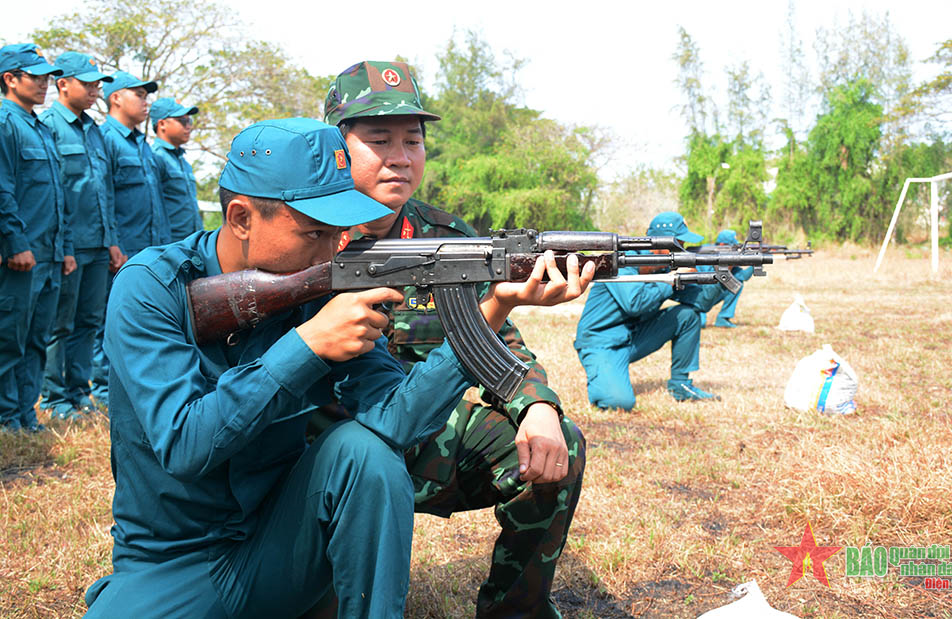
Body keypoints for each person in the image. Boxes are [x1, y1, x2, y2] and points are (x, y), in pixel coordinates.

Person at [82, 117, 592, 618]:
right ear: (240, 218)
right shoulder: (151, 287)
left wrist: (493, 309)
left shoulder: (319, 294)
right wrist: (308, 346)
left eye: (338, 233)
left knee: (364, 450)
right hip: (172, 563)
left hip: (285, 550)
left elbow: (399, 424)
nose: (331, 254)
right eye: (314, 234)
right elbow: (185, 444)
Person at [321, 60, 585, 618]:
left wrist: (536, 403)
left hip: (424, 439)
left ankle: (516, 612)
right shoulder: (302, 236)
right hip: (325, 452)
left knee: (557, 439)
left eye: (412, 140)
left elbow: (495, 335)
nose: (400, 156)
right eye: (379, 139)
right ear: (336, 147)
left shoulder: (446, 238)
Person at [38, 52, 124, 421]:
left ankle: (78, 393)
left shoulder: (94, 130)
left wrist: (112, 241)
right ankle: (55, 399)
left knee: (89, 321)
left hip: (98, 245)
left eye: (97, 84)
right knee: (61, 323)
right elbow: (53, 195)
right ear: (62, 84)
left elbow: (105, 191)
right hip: (67, 246)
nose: (95, 90)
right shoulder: (49, 126)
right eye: (87, 84)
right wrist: (65, 246)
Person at [574, 211, 723, 411]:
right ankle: (603, 376)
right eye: (680, 244)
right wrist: (672, 279)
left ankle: (681, 385)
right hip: (601, 343)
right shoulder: (620, 263)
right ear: (661, 246)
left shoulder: (662, 268)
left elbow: (700, 303)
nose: (684, 250)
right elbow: (635, 304)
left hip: (634, 337)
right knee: (619, 403)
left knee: (687, 316)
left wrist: (723, 271)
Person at [0, 43, 72, 432]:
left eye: (48, 76)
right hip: (21, 255)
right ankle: (5, 416)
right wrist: (16, 243)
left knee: (36, 338)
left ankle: (25, 414)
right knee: (8, 337)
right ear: (10, 79)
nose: (45, 83)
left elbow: (57, 196)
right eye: (36, 76)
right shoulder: (4, 123)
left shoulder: (40, 127)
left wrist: (65, 250)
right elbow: (2, 189)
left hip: (48, 254)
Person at [92, 70, 167, 407]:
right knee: (106, 319)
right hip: (122, 249)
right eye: (139, 94)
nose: (146, 101)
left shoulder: (143, 144)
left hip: (148, 249)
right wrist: (112, 243)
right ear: (116, 97)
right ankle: (102, 390)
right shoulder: (104, 138)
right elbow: (103, 195)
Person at [150, 97, 203, 242]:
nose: (188, 126)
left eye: (189, 121)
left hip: (192, 241)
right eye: (182, 121)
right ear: (162, 124)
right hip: (170, 243)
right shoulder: (155, 157)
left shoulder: (183, 161)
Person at [697, 229, 753, 329]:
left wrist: (757, 261)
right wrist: (727, 266)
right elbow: (707, 281)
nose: (734, 249)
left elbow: (744, 276)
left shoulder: (729, 256)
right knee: (700, 324)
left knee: (736, 283)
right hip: (698, 295)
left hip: (712, 294)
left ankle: (723, 318)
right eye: (732, 246)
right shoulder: (705, 252)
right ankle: (698, 313)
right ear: (722, 245)